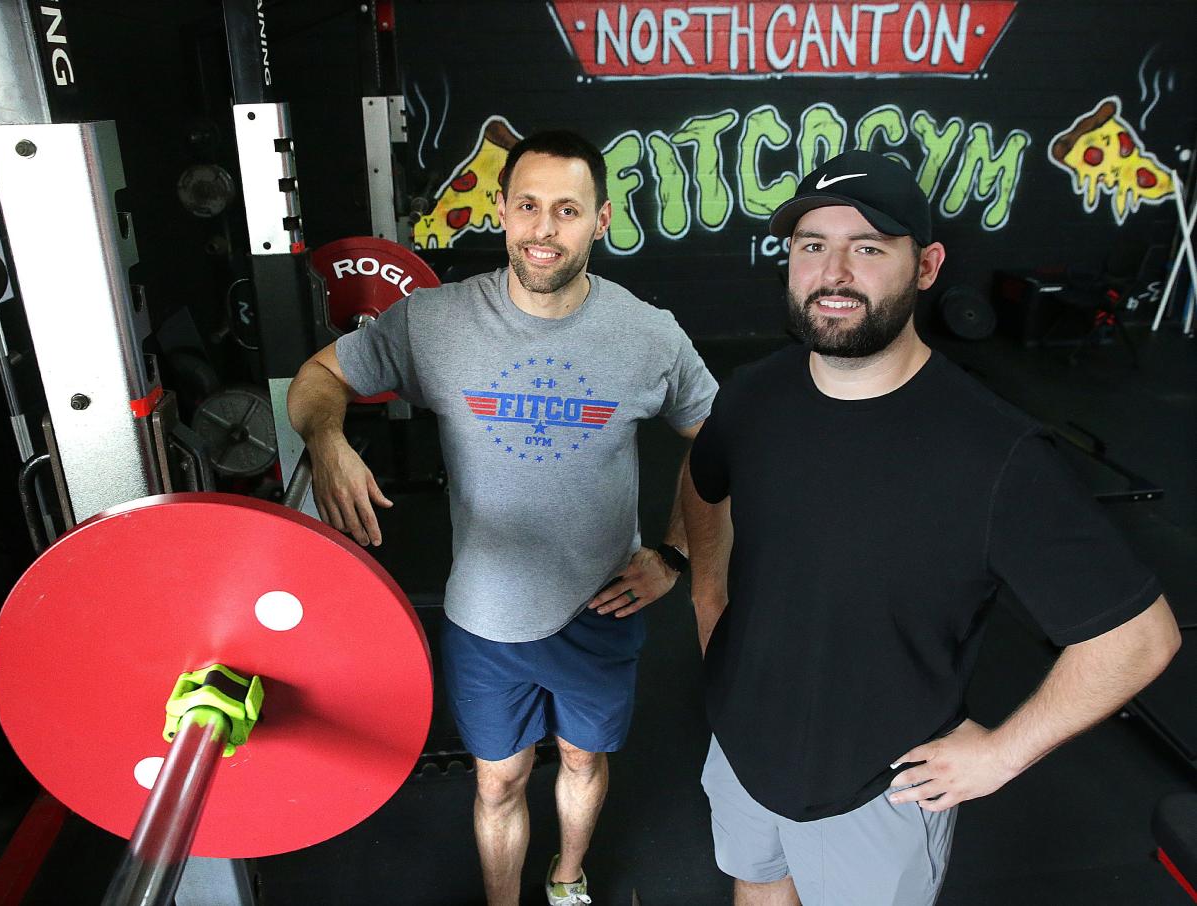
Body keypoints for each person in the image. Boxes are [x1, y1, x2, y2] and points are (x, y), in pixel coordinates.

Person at [680, 149, 1181, 906]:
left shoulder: (996, 454)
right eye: (812, 245)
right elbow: (701, 478)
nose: (834, 271)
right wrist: (706, 596)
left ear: (926, 265)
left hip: (878, 793)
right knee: (757, 890)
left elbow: (1139, 638)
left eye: (869, 247)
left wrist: (1000, 756)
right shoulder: (754, 397)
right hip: (741, 746)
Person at [288, 130, 717, 906]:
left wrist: (675, 553)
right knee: (499, 780)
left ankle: (566, 878)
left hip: (602, 604)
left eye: (566, 210)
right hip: (486, 612)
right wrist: (327, 438)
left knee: (583, 762)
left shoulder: (650, 335)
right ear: (501, 212)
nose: (543, 229)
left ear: (602, 221)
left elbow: (717, 439)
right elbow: (321, 374)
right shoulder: (434, 322)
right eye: (527, 206)